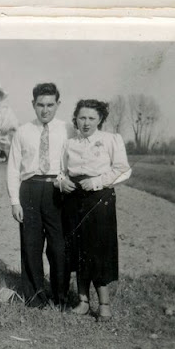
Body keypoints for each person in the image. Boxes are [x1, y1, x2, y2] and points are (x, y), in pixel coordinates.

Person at [61, 99, 131, 321]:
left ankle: (104, 305)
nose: (86, 122)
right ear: (76, 119)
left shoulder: (111, 140)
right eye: (82, 117)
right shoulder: (69, 143)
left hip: (99, 199)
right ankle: (82, 302)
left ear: (100, 119)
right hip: (73, 198)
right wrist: (62, 182)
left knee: (98, 250)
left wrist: (97, 182)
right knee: (78, 250)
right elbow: (61, 171)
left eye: (91, 118)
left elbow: (122, 170)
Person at [7, 83, 75, 309]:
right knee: (31, 245)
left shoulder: (68, 129)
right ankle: (35, 297)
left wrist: (66, 179)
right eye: (40, 105)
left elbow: (74, 160)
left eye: (50, 105)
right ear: (33, 104)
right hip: (30, 189)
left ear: (58, 104)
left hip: (58, 190)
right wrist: (15, 201)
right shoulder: (23, 131)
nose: (45, 110)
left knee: (59, 247)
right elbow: (13, 168)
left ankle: (60, 297)